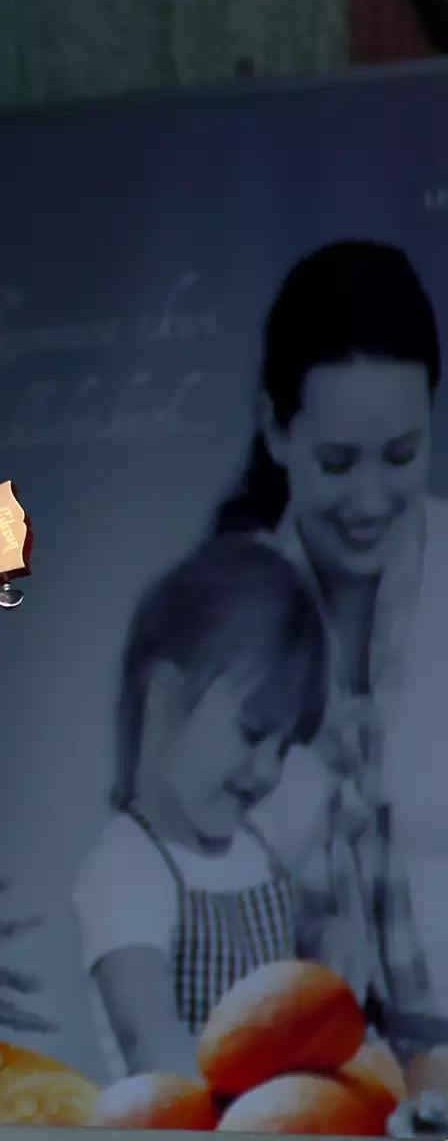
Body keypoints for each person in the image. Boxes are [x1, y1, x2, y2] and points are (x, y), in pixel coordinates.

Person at [219, 240, 446, 1049]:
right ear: (274, 429)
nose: (373, 499)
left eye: (402, 455)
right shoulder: (220, 626)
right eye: (339, 463)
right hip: (287, 1077)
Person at [72, 539, 329, 1081]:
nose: (268, 771)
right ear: (164, 694)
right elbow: (151, 1045)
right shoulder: (128, 866)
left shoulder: (258, 846)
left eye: (283, 748)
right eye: (253, 733)